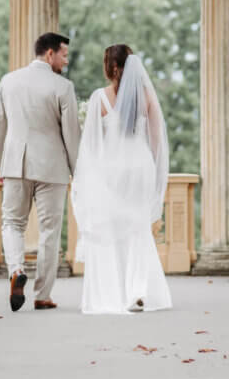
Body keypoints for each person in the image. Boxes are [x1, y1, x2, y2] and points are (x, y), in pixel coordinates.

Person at [71, 44, 172, 314]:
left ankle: (114, 291)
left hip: (112, 169)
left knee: (112, 229)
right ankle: (137, 290)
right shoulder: (146, 97)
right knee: (137, 228)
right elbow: (156, 141)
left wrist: (86, 179)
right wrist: (151, 167)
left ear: (110, 68)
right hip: (140, 167)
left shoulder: (98, 99)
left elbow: (90, 145)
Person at [0, 32, 80, 312]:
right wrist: (78, 171)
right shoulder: (63, 87)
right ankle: (43, 294)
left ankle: (16, 270)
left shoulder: (9, 81)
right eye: (64, 55)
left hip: (16, 164)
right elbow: (71, 134)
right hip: (52, 167)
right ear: (50, 54)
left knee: (12, 223)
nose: (66, 61)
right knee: (50, 231)